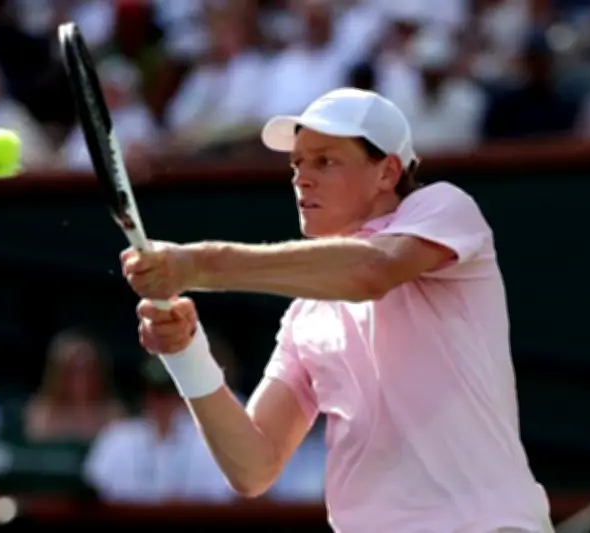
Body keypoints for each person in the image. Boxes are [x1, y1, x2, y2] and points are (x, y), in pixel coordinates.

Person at [121, 88, 554, 533]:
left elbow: (372, 271)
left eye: (324, 161)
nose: (301, 179)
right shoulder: (305, 316)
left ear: (387, 172)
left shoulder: (444, 206)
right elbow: (253, 467)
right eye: (297, 164)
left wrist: (198, 265)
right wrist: (186, 353)